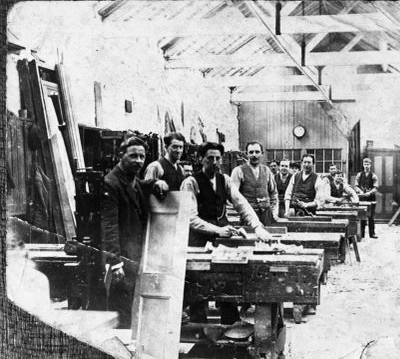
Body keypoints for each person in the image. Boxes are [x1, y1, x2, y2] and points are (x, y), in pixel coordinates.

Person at [181, 142, 272, 324]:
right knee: (199, 287)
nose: (214, 162)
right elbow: (190, 218)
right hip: (197, 241)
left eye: (217, 159)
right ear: (201, 159)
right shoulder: (190, 183)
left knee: (226, 280)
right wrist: (218, 230)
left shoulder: (225, 180)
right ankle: (199, 329)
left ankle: (230, 323)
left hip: (221, 241)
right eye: (210, 159)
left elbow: (242, 204)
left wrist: (258, 227)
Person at [101, 136, 168, 328]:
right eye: (133, 156)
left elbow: (141, 185)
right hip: (122, 260)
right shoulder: (111, 183)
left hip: (135, 256)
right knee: (123, 311)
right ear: (121, 155)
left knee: (134, 307)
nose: (139, 160)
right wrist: (115, 263)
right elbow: (109, 226)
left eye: (142, 156)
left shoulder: (132, 179)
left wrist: (156, 182)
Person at [231, 141, 279, 225]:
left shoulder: (267, 170)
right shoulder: (238, 171)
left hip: (266, 214)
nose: (254, 155)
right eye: (251, 152)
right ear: (246, 154)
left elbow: (273, 193)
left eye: (257, 152)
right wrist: (243, 212)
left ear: (262, 153)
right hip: (248, 215)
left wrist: (274, 212)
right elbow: (234, 196)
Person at [354, 158, 379, 239]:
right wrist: (360, 191)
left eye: (368, 164)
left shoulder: (374, 175)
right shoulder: (359, 175)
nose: (366, 166)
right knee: (362, 215)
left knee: (371, 216)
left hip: (371, 198)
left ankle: (372, 234)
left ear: (370, 165)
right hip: (362, 198)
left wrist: (370, 192)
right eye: (365, 164)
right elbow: (356, 186)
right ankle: (362, 234)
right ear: (363, 165)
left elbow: (375, 187)